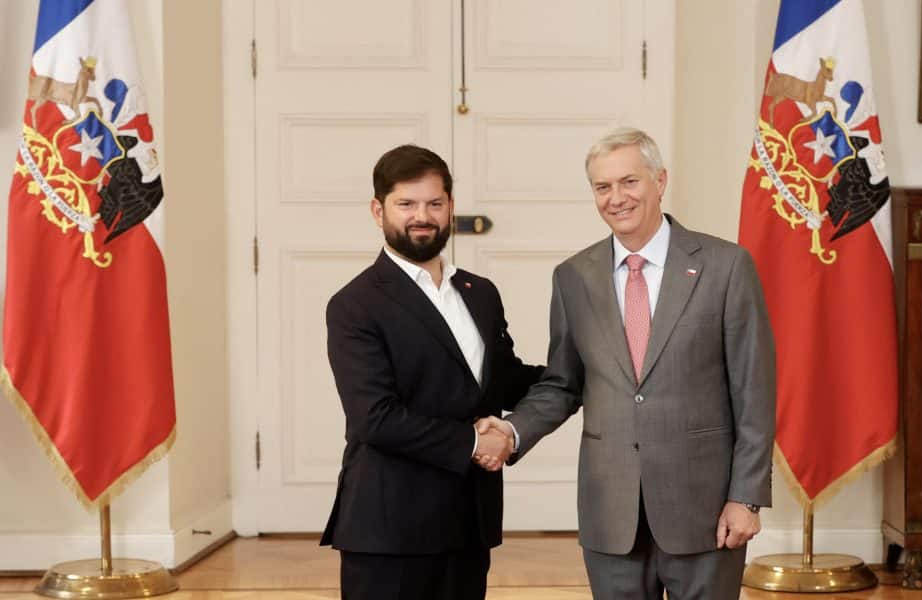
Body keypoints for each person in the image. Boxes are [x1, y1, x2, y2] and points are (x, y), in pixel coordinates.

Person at [476, 127, 776, 600]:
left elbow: (754, 392)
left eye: (629, 182)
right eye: (603, 187)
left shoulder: (725, 266)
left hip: (704, 509)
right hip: (610, 512)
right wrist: (511, 432)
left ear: (660, 180)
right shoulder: (574, 277)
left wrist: (746, 497)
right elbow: (563, 383)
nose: (616, 198)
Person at [320, 144, 543, 600]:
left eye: (434, 203)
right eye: (406, 204)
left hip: (468, 521)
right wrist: (477, 443)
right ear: (378, 210)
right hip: (388, 530)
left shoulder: (480, 293)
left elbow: (502, 378)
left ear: (450, 208)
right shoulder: (355, 305)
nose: (422, 216)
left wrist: (588, 374)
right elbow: (374, 417)